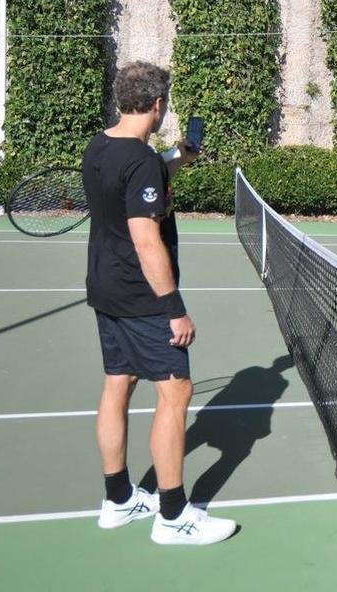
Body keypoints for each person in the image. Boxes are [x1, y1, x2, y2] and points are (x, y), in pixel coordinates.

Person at [82, 61, 235, 546]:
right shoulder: (142, 161)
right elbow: (146, 239)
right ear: (157, 105)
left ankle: (118, 500)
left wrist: (177, 158)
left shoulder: (101, 146)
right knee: (176, 394)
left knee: (118, 384)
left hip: (105, 289)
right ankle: (173, 516)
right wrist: (174, 308)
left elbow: (132, 186)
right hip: (143, 297)